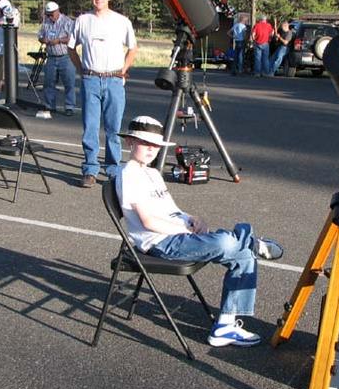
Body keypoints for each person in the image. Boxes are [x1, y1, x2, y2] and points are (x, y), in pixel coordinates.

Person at [116, 115, 284, 347]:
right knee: (227, 243)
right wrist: (185, 229)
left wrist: (192, 219)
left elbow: (172, 210)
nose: (151, 149)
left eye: (155, 145)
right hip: (161, 243)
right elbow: (148, 222)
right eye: (146, 144)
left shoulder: (153, 173)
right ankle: (250, 239)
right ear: (130, 143)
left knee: (242, 254)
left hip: (178, 234)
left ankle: (225, 325)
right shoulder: (129, 174)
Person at [68, 0, 138, 188]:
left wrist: (123, 70)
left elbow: (132, 49)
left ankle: (113, 169)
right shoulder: (83, 20)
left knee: (113, 129)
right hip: (91, 78)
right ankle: (90, 169)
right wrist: (81, 70)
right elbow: (71, 48)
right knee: (90, 126)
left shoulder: (122, 21)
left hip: (114, 80)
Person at [38, 1, 76, 116]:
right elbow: (40, 35)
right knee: (49, 82)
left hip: (65, 56)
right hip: (51, 56)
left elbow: (72, 38)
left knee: (69, 82)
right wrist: (43, 40)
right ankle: (50, 105)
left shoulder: (67, 22)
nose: (50, 17)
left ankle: (69, 106)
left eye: (52, 14)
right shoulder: (46, 22)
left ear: (57, 11)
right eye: (48, 14)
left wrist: (59, 40)